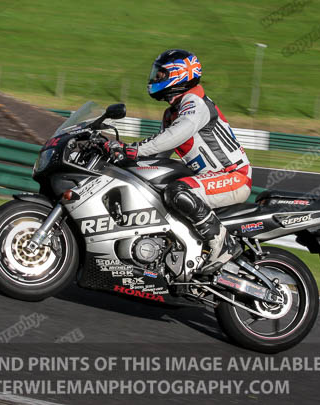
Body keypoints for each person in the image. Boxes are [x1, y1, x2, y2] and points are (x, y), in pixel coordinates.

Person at [104, 49, 252, 273]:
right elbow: (160, 154)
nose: (155, 78)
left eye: (161, 74)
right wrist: (124, 161)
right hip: (209, 179)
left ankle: (222, 244)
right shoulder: (171, 112)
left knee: (177, 191)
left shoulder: (195, 103)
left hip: (233, 177)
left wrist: (132, 150)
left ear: (179, 75)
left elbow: (175, 136)